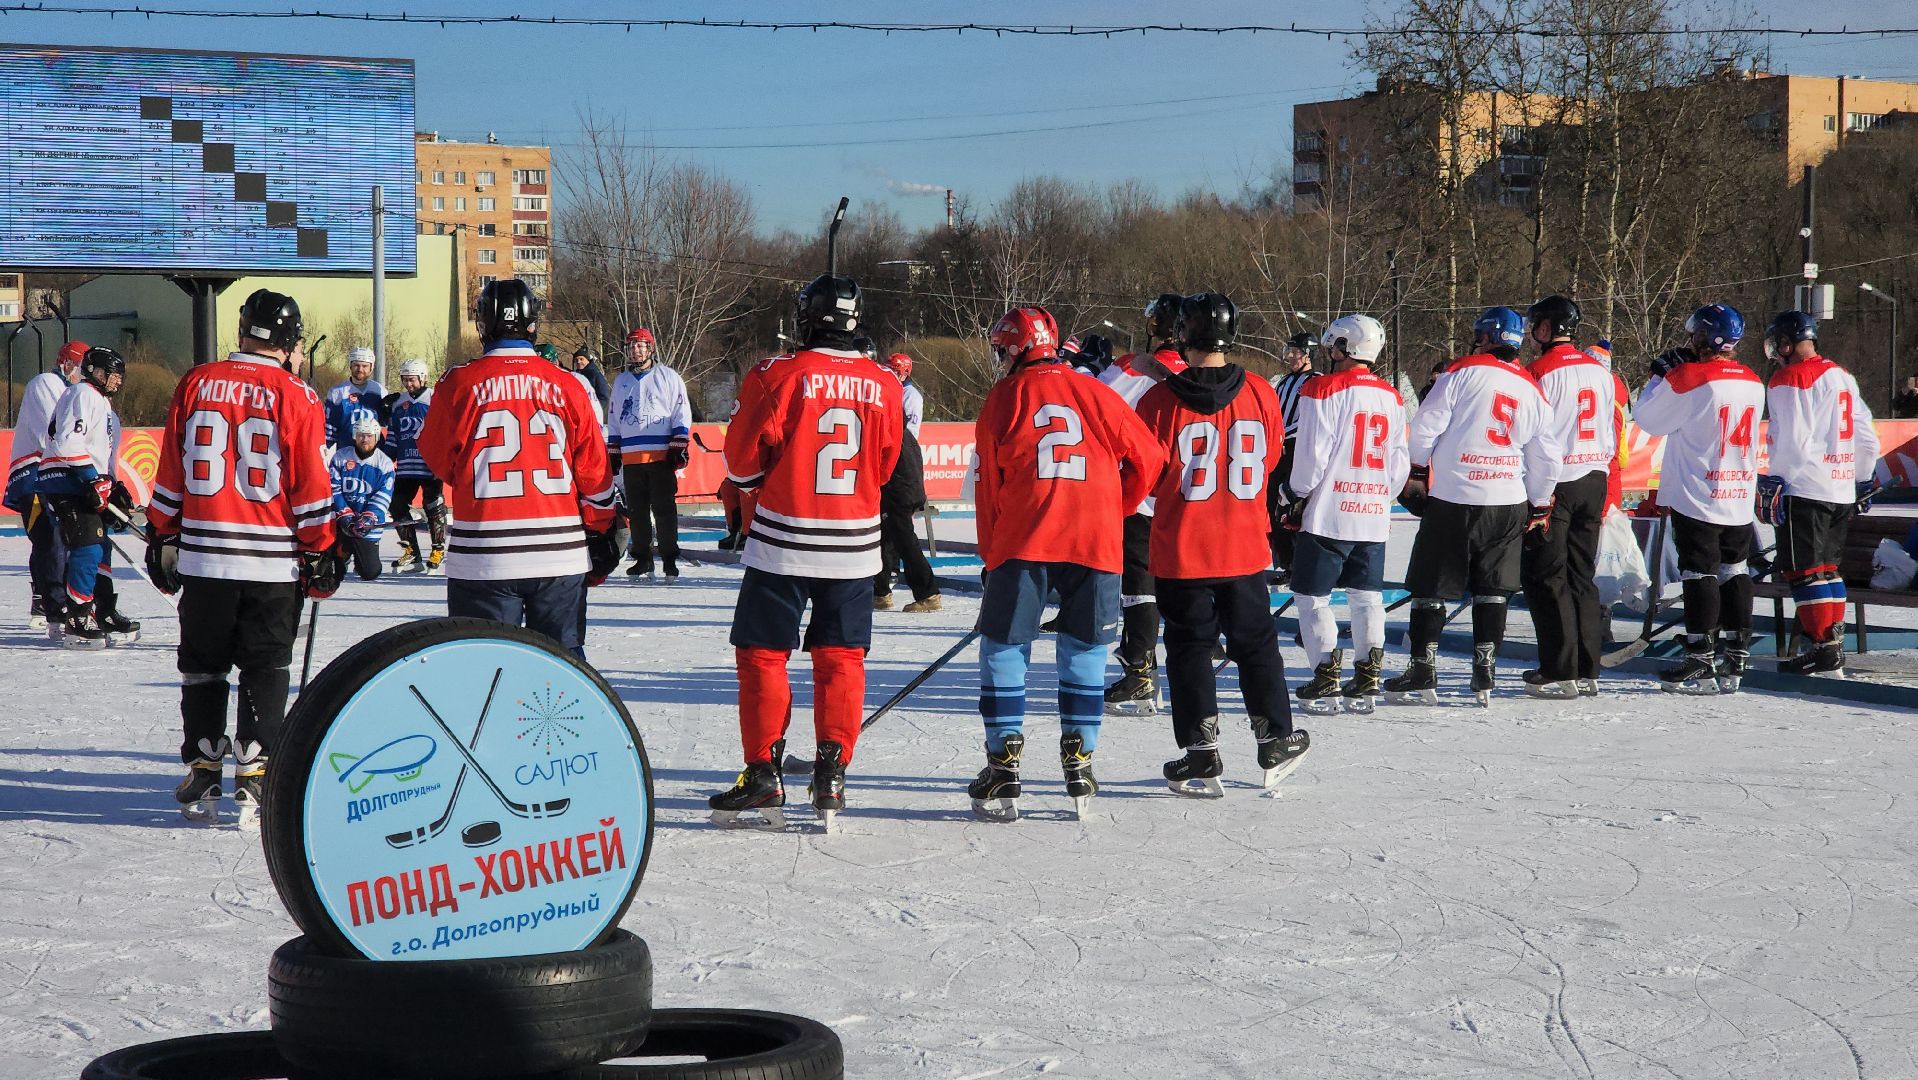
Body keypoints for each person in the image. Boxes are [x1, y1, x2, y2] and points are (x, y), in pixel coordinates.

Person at [708, 272, 903, 830]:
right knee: (841, 658)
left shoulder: (777, 373)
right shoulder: (886, 382)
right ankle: (832, 772)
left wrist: (766, 482)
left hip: (783, 541)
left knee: (764, 654)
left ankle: (764, 775)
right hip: (855, 542)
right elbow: (886, 466)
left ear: (806, 318)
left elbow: (741, 463)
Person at [146, 288, 341, 826]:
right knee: (265, 664)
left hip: (206, 559)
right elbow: (307, 483)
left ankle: (204, 765)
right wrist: (323, 545)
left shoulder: (196, 381)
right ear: (284, 341)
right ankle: (254, 773)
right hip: (270, 562)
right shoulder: (296, 394)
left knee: (203, 665)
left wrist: (161, 532)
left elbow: (171, 469)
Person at [967, 306, 1163, 821]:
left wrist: (991, 555)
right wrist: (1116, 505)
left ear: (1013, 349)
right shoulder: (1097, 389)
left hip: (1024, 540)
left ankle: (1005, 760)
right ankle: (1079, 758)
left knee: (1006, 648)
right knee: (1085, 649)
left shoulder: (1004, 397)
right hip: (1093, 540)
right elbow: (1151, 457)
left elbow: (989, 488)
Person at [1138, 292, 1307, 796]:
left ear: (1182, 335)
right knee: (1256, 645)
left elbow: (1146, 476)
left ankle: (1201, 751)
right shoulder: (1260, 390)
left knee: (1189, 648)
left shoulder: (1160, 400)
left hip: (1182, 546)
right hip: (1243, 543)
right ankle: (1275, 736)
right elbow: (1274, 455)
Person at [418, 280, 618, 654]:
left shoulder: (457, 383)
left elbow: (439, 461)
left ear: (484, 324)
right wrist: (600, 529)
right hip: (559, 552)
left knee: (485, 675)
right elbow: (594, 473)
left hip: (484, 553)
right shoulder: (569, 385)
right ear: (532, 323)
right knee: (561, 680)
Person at [1388, 307, 1561, 706]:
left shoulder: (1462, 371)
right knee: (1493, 590)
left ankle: (1422, 667)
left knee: (1431, 587)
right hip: (1507, 499)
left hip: (1455, 497)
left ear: (1487, 336)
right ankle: (1485, 670)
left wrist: (1415, 472)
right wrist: (1538, 504)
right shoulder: (1531, 387)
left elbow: (1426, 426)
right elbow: (1547, 456)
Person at [1274, 315, 1409, 715]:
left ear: (1345, 347)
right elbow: (1399, 462)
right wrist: (1381, 495)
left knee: (1311, 597)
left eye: (1334, 346)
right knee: (1367, 596)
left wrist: (1291, 492)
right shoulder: (1391, 395)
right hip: (1371, 511)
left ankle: (1325, 672)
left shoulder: (1322, 388)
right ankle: (1368, 672)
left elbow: (1311, 456)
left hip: (1329, 512)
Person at [1634, 304, 1767, 693]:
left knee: (1699, 571)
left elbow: (1648, 418)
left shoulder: (1690, 375)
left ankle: (1699, 656)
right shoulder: (1752, 379)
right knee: (1735, 569)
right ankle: (1737, 652)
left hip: (1699, 489)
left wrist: (1661, 376)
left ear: (1704, 338)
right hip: (1738, 488)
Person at [1759, 310, 1881, 677]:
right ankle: (1831, 648)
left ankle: (1823, 648)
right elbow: (1867, 438)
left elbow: (1793, 442)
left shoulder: (1789, 378)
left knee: (1805, 572)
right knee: (1829, 571)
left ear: (1786, 342)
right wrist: (1861, 477)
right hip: (1840, 485)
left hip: (1807, 486)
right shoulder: (1842, 376)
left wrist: (1776, 478)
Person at [1518, 295, 1622, 699]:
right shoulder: (1599, 371)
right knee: (1581, 574)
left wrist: (1536, 494)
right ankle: (1586, 666)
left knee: (1546, 575)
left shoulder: (1539, 371)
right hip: (1594, 475)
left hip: (1557, 481)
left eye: (1535, 326)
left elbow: (1534, 437)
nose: (1531, 334)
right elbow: (1613, 425)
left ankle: (1559, 669)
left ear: (1547, 329)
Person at [1101, 293, 1190, 716]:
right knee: (1183, 583)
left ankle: (1140, 670)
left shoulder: (1132, 367)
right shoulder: (1200, 371)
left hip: (1143, 491)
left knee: (1138, 585)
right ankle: (1194, 662)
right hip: (1192, 494)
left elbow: (1093, 408)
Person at [35, 346, 138, 648]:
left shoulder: (102, 403)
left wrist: (112, 485)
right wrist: (92, 479)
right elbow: (67, 443)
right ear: (98, 372)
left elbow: (97, 454)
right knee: (88, 546)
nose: (118, 381)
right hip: (64, 480)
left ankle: (102, 610)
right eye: (114, 375)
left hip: (80, 481)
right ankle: (77, 619)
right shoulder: (83, 394)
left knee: (101, 546)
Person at [6, 339, 88, 634]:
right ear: (67, 363)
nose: (83, 375)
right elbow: (53, 432)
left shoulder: (77, 391)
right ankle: (54, 605)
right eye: (80, 368)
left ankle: (46, 599)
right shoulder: (45, 383)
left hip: (54, 473)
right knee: (50, 535)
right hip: (33, 474)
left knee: (57, 537)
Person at [606, 327, 693, 579]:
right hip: (632, 457)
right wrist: (613, 449)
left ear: (650, 348)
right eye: (632, 346)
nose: (635, 350)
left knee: (664, 510)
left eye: (641, 345)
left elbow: (681, 411)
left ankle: (669, 559)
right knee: (637, 511)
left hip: (660, 455)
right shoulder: (621, 381)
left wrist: (679, 443)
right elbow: (613, 417)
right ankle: (642, 558)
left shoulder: (668, 376)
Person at [874, 350, 939, 612]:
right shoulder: (899, 431)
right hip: (902, 487)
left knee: (904, 541)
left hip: (900, 490)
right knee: (883, 538)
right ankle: (880, 591)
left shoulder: (905, 407)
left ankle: (928, 592)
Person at [381, 358, 445, 573]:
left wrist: (442, 460)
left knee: (433, 504)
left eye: (413, 380)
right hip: (407, 466)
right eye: (405, 380)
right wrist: (385, 459)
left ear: (423, 378)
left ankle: (437, 549)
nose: (409, 384)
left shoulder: (435, 400)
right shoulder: (399, 403)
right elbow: (393, 436)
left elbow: (443, 431)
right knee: (397, 505)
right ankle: (412, 553)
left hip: (429, 465)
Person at [1267, 330, 1322, 575]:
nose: (1290, 357)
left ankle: (1298, 565)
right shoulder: (1284, 381)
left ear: (1309, 355)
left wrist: (1279, 434)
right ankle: (1286, 562)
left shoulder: (1316, 381)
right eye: (1289, 351)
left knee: (1292, 506)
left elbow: (1308, 420)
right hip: (1277, 450)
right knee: (1271, 506)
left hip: (1296, 451)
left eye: (1296, 352)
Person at [330, 413, 396, 581]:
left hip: (366, 527)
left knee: (369, 572)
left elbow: (383, 494)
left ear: (376, 437)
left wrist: (368, 518)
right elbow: (333, 489)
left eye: (368, 436)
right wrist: (345, 515)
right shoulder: (340, 457)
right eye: (360, 435)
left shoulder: (385, 463)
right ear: (354, 436)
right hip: (342, 523)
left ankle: (357, 556)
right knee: (330, 569)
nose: (364, 440)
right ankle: (341, 553)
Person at [324, 346, 385, 453]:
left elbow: (386, 424)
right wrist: (325, 450)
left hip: (373, 454)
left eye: (365, 366)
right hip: (346, 453)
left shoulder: (380, 391)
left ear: (372, 367)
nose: (360, 369)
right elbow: (329, 428)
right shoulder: (337, 392)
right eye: (356, 365)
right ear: (350, 366)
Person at [572, 346, 612, 415]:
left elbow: (604, 397)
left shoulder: (595, 374)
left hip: (592, 414)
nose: (578, 362)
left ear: (587, 360)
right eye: (576, 360)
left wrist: (595, 410)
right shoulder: (575, 375)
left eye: (581, 359)